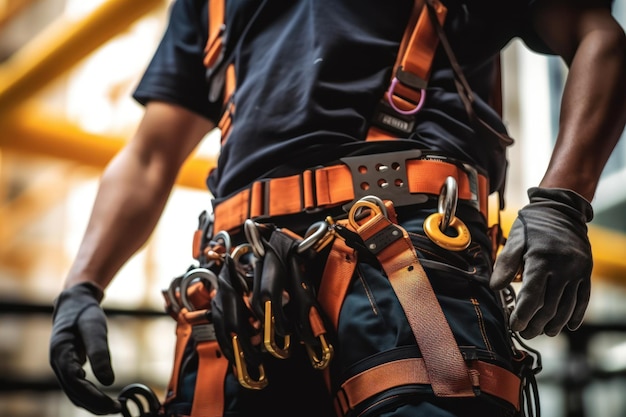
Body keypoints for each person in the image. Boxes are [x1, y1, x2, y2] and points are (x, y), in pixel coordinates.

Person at [49, 0, 626, 416]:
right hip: (243, 291)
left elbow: (596, 36)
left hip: (400, 256)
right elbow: (151, 153)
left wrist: (562, 201)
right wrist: (82, 285)